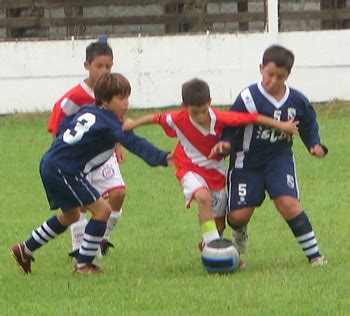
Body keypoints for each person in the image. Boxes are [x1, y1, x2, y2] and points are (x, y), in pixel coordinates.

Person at [10, 72, 172, 274]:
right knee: (102, 210)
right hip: (64, 170)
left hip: (50, 162)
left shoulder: (88, 110)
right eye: (121, 98)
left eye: (127, 97)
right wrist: (162, 157)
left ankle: (24, 249)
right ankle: (84, 264)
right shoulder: (110, 123)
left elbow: (65, 124)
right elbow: (134, 142)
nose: (126, 103)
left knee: (70, 215)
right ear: (105, 100)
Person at [123, 78, 298, 263]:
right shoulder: (177, 118)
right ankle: (214, 250)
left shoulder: (220, 118)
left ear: (210, 102)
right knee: (203, 197)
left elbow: (252, 118)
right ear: (184, 106)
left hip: (215, 173)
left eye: (203, 111)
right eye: (194, 112)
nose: (200, 116)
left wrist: (282, 126)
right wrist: (132, 124)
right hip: (188, 167)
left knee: (219, 226)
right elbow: (155, 117)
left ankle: (210, 243)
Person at [211, 44, 328, 267]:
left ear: (288, 75)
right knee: (237, 216)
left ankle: (315, 256)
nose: (273, 81)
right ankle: (240, 231)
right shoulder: (248, 98)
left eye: (280, 77)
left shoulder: (297, 100)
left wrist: (314, 144)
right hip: (246, 162)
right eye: (269, 74)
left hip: (279, 160)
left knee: (288, 203)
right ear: (261, 68)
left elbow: (307, 122)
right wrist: (225, 142)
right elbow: (231, 123)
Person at [48, 38, 124, 259]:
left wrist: (118, 144)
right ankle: (79, 247)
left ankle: (103, 237)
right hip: (77, 156)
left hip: (103, 154)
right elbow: (58, 126)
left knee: (118, 192)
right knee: (82, 203)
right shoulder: (74, 97)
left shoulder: (111, 91)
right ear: (87, 65)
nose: (104, 71)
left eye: (108, 66)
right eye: (99, 66)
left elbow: (115, 120)